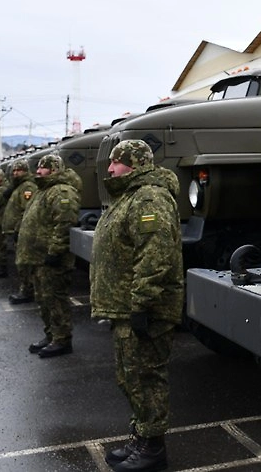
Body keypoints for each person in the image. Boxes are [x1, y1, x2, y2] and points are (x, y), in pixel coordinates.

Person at [91, 139, 182, 472]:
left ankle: (153, 449)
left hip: (145, 308)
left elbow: (155, 256)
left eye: (116, 162)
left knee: (146, 377)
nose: (110, 168)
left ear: (135, 164)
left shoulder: (149, 198)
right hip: (126, 307)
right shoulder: (129, 196)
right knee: (130, 377)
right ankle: (142, 437)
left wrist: (142, 304)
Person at [18, 153, 81, 358]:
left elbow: (64, 224)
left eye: (42, 168)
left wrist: (55, 251)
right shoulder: (43, 190)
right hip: (38, 258)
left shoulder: (61, 192)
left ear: (53, 170)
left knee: (55, 299)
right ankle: (51, 334)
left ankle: (62, 339)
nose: (38, 171)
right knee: (43, 299)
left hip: (52, 259)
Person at [2, 159, 38, 303]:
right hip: (17, 230)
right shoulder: (18, 186)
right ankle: (26, 289)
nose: (16, 173)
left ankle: (27, 291)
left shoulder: (27, 187)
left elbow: (27, 211)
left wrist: (18, 228)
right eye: (14, 171)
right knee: (21, 262)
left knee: (25, 263)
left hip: (23, 231)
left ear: (26, 171)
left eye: (19, 170)